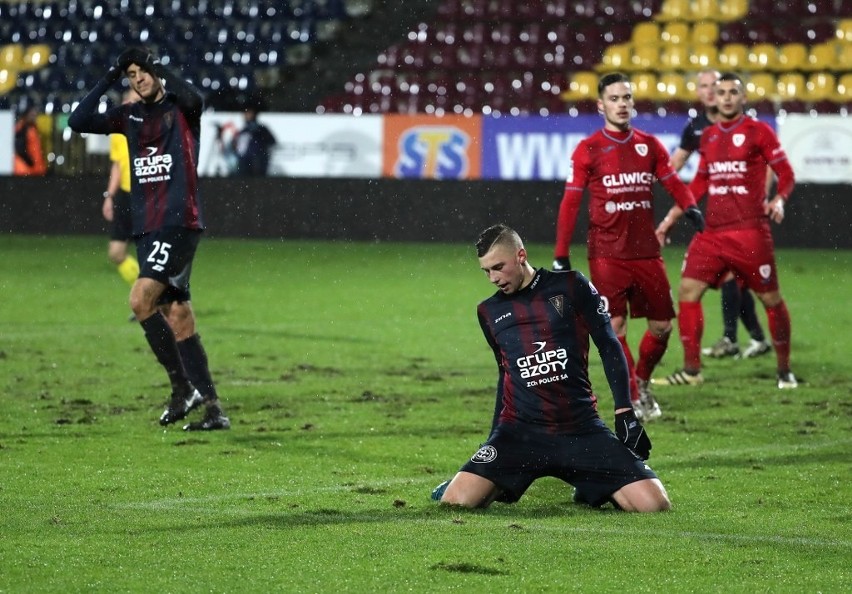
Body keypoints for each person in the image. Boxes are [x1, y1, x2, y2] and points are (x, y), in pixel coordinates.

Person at [432, 224, 670, 512]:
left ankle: (589, 484)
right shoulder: (488, 311)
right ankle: (589, 483)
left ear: (521, 255)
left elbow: (608, 345)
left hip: (580, 429)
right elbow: (505, 373)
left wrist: (624, 413)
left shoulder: (570, 286)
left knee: (655, 505)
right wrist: (494, 438)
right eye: (486, 271)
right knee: (455, 502)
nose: (493, 278)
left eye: (498, 267)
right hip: (519, 434)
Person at [69, 46, 231, 430]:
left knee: (141, 299)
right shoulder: (129, 116)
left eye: (142, 71)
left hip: (178, 222)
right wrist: (110, 74)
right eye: (131, 74)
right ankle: (212, 408)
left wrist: (159, 68)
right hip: (147, 227)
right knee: (177, 314)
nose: (138, 78)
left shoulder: (182, 109)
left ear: (155, 72)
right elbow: (78, 120)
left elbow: (196, 97)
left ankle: (182, 389)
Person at [552, 72, 705, 422]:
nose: (622, 104)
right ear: (601, 104)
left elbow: (671, 181)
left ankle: (641, 378)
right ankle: (634, 398)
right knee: (616, 326)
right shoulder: (588, 148)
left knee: (663, 326)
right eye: (615, 99)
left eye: (627, 98)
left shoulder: (649, 145)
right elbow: (570, 203)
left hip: (647, 252)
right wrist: (561, 253)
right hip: (606, 254)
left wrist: (691, 207)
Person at [654, 72, 797, 390]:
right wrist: (670, 219)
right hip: (713, 233)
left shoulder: (759, 132)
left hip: (750, 232)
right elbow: (700, 183)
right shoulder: (708, 137)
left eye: (734, 92)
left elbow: (786, 172)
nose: (728, 97)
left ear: (743, 97)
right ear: (714, 99)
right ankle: (691, 370)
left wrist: (780, 200)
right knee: (688, 292)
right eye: (722, 92)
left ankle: (784, 370)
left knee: (771, 299)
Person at [670, 69, 771, 361]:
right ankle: (750, 337)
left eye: (714, 86)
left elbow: (766, 164)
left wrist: (761, 199)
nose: (710, 91)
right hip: (714, 214)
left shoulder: (746, 124)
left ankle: (739, 338)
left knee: (737, 279)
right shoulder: (696, 127)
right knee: (733, 279)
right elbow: (677, 161)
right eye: (703, 86)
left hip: (745, 215)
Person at [102, 89, 142, 311]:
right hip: (126, 196)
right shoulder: (119, 131)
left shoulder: (152, 130)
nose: (130, 104)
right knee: (116, 253)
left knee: (151, 259)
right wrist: (109, 196)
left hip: (148, 196)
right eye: (127, 100)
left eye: (135, 100)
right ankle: (146, 297)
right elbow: (117, 165)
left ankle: (151, 303)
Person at [231, 102, 276, 176]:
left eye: (249, 113)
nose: (246, 115)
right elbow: (236, 145)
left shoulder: (261, 129)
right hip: (244, 162)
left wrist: (260, 152)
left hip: (257, 162)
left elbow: (271, 142)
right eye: (245, 113)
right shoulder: (243, 131)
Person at [13, 105, 47, 176]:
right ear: (26, 115)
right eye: (32, 114)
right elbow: (20, 149)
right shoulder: (23, 128)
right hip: (27, 170)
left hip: (34, 170)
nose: (34, 116)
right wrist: (31, 162)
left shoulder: (31, 127)